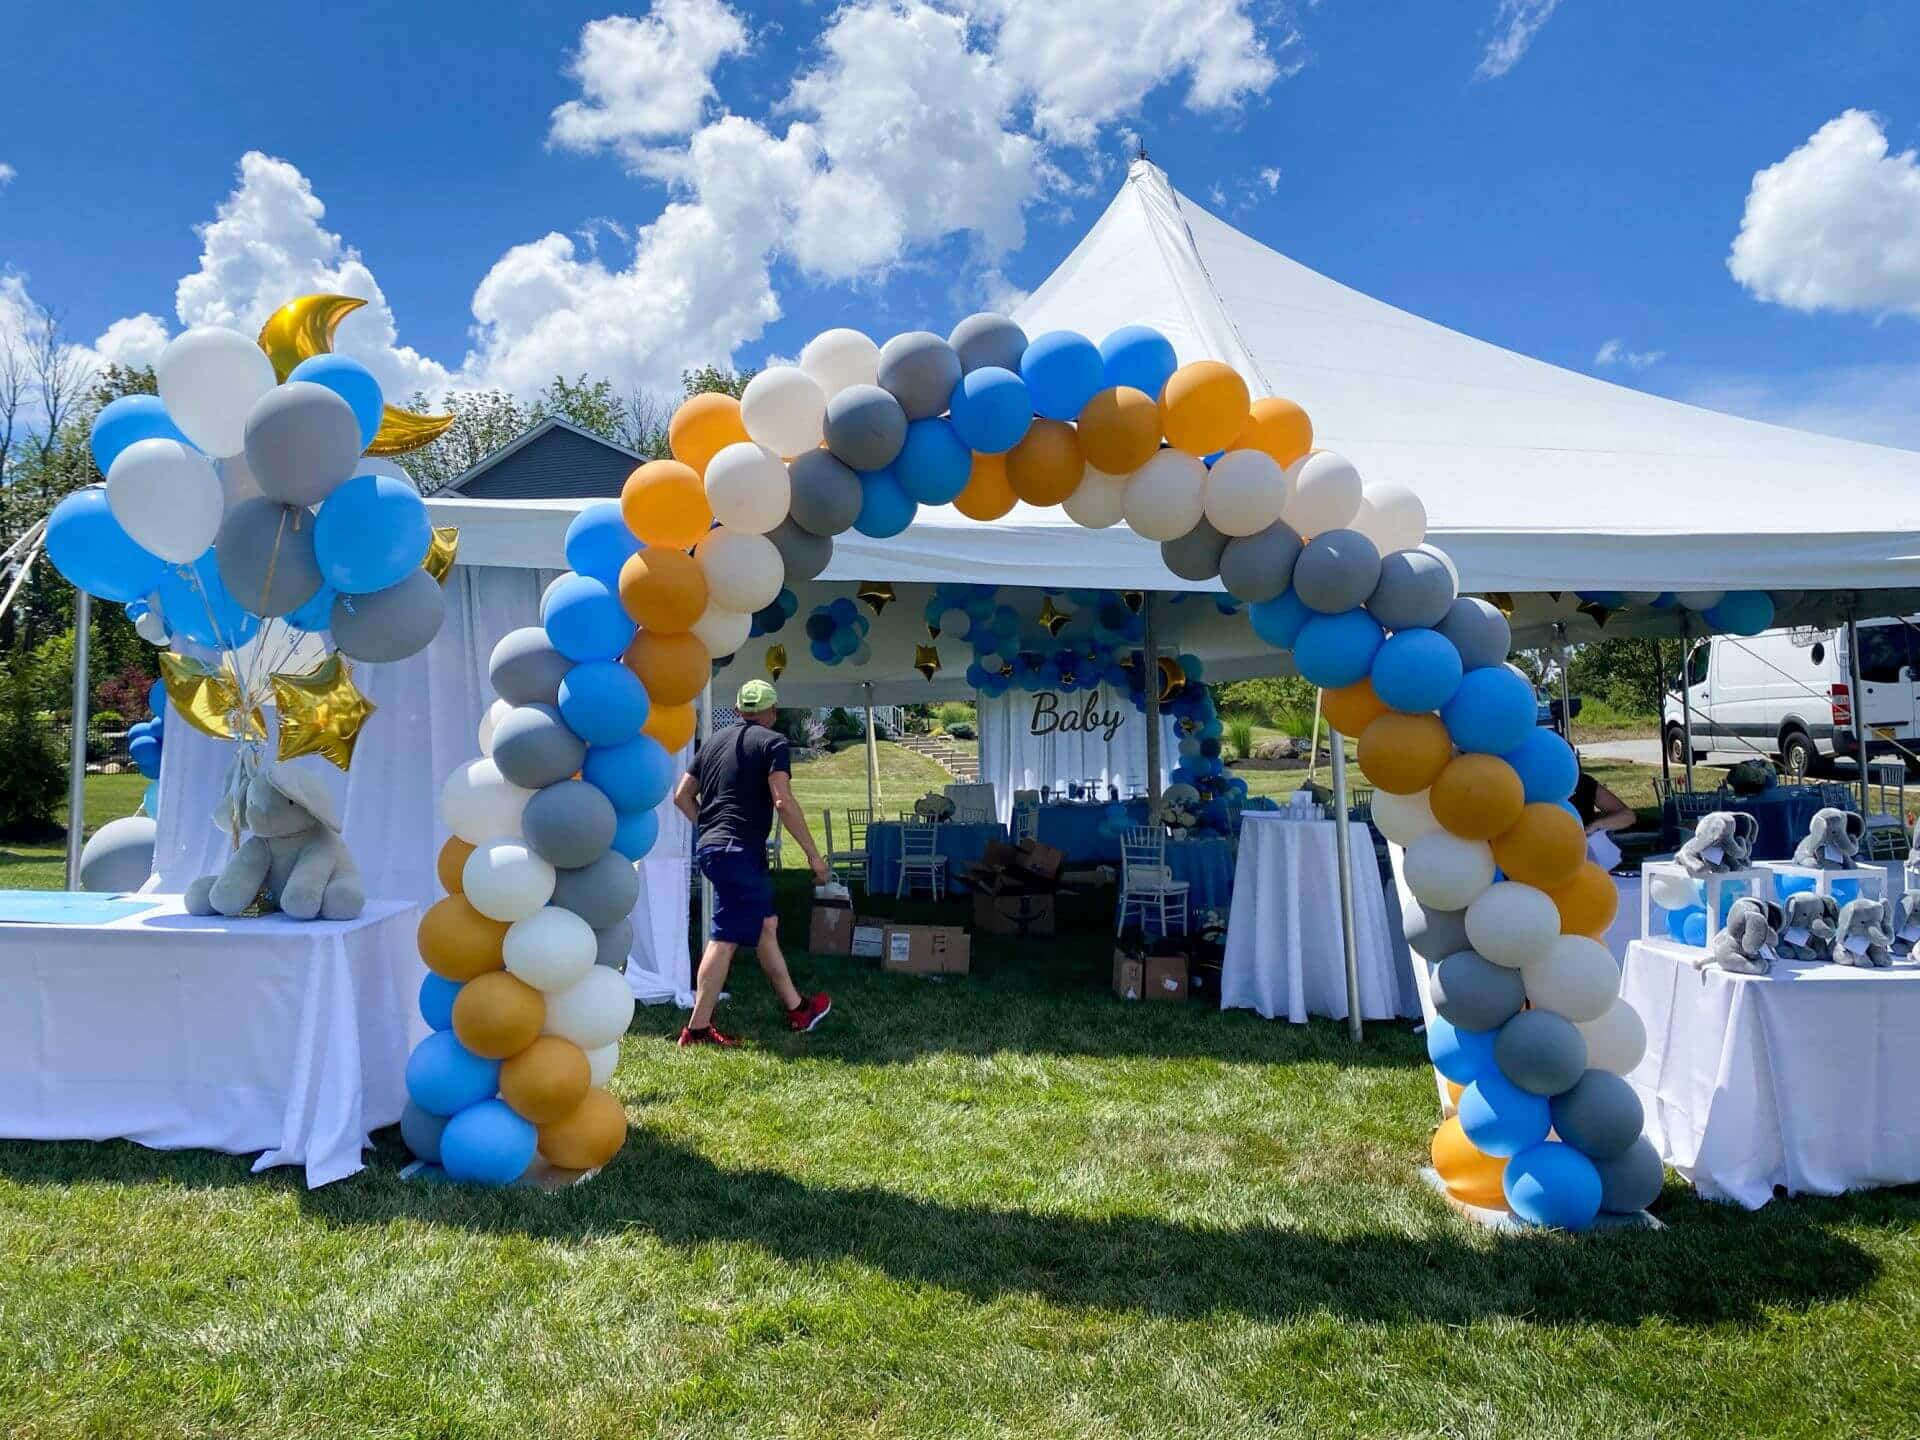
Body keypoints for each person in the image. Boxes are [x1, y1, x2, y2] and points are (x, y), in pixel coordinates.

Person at [672, 679, 832, 1047]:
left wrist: (710, 827)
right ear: (772, 712)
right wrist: (813, 856)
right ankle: (696, 1030)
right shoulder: (773, 743)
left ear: (740, 711)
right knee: (725, 938)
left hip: (719, 849)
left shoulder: (713, 742)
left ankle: (798, 1009)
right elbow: (783, 801)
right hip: (738, 852)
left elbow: (682, 797)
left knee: (766, 925)